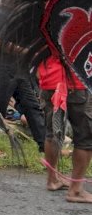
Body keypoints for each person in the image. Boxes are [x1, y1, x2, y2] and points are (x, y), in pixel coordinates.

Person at [0, 0, 46, 157]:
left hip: (18, 69)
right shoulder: (1, 15)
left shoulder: (12, 16)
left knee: (32, 106)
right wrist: (27, 51)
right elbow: (1, 44)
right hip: (3, 69)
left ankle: (45, 145)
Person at [37, 56, 92, 203]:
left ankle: (52, 180)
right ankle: (76, 190)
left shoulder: (44, 30)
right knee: (85, 138)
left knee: (52, 133)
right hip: (77, 79)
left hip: (50, 80)